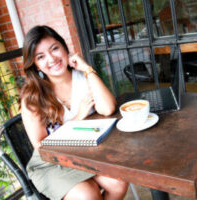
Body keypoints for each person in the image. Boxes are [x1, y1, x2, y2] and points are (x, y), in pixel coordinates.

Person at [19, 25, 128, 200]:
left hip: (86, 153)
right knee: (87, 195)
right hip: (52, 162)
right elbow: (41, 145)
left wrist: (86, 69)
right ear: (36, 64)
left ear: (64, 48)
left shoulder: (82, 78)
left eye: (54, 49)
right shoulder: (32, 97)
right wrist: (77, 118)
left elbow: (107, 108)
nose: (51, 59)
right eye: (41, 57)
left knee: (118, 183)